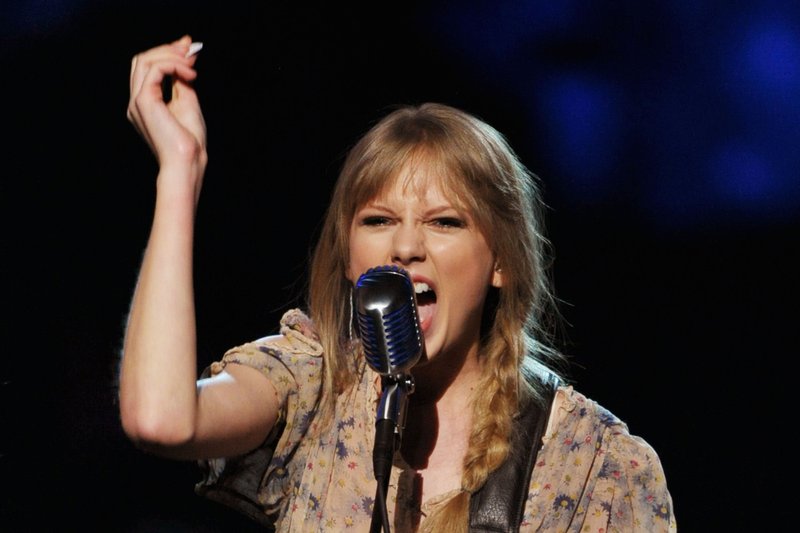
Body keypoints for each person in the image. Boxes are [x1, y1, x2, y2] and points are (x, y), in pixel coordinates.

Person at [118, 35, 677, 533]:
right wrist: (180, 171)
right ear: (349, 259)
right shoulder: (313, 387)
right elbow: (160, 419)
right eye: (379, 220)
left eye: (444, 221)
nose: (406, 246)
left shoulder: (593, 466)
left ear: (501, 261)